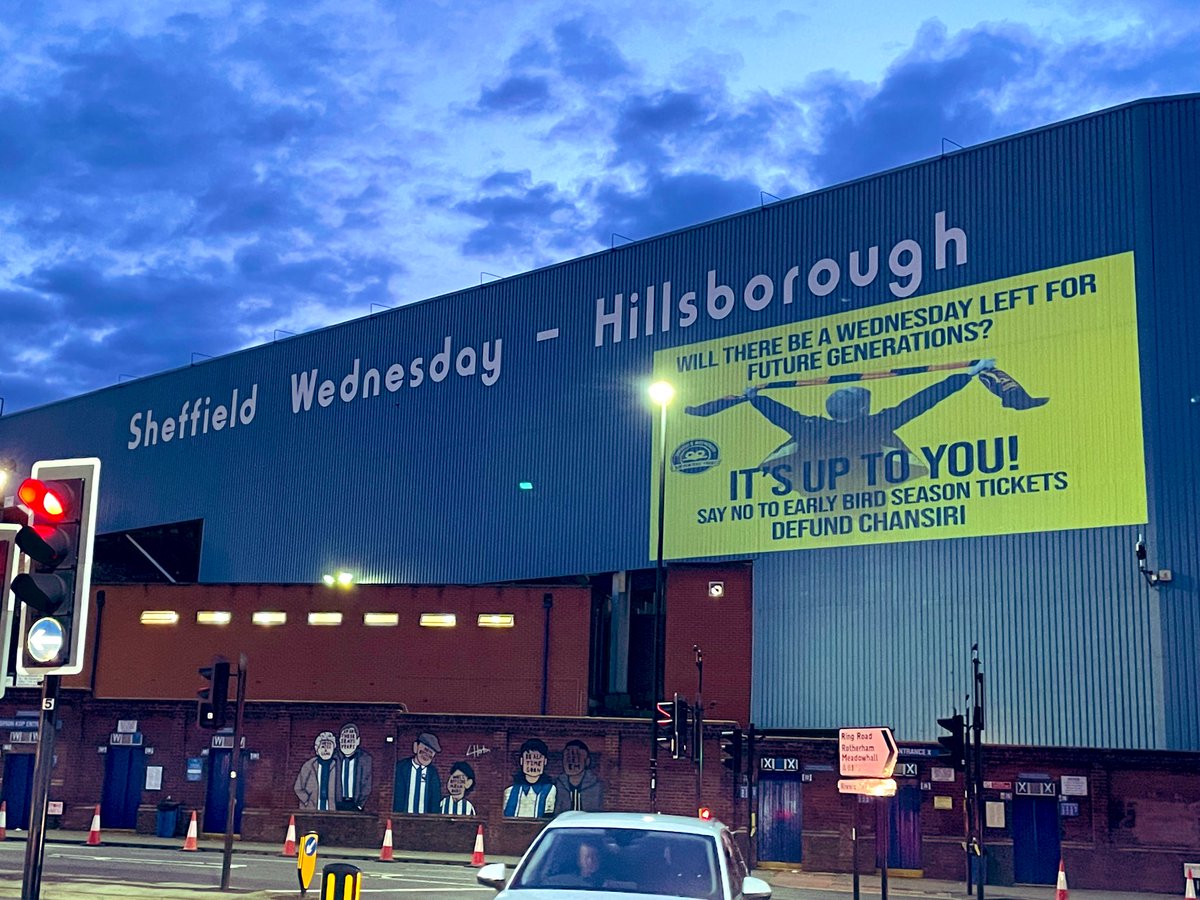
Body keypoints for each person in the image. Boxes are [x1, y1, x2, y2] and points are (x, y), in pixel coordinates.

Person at [744, 358, 998, 491]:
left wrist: (755, 398)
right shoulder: (875, 425)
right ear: (863, 409)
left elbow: (781, 414)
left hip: (821, 505)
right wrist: (967, 375)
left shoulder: (810, 427)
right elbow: (921, 401)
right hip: (869, 503)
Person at [503, 738, 556, 817]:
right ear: (522, 761)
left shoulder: (550, 789)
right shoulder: (509, 791)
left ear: (545, 761)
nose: (533, 765)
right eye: (529, 759)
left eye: (537, 761)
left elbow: (548, 815)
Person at [393, 732, 442, 814]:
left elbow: (435, 800)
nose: (427, 755)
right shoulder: (401, 768)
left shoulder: (433, 774)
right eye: (425, 750)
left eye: (431, 752)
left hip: (425, 821)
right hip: (401, 819)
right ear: (416, 747)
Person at [554, 739, 604, 812]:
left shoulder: (596, 786)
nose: (572, 761)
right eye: (568, 757)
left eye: (577, 757)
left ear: (587, 761)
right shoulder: (558, 785)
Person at [294, 731, 337, 811]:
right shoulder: (309, 765)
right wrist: (306, 800)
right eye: (323, 746)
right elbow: (298, 787)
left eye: (329, 747)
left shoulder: (337, 766)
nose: (326, 750)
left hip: (331, 806)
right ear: (317, 749)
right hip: (311, 807)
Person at [334, 722, 373, 811]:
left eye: (351, 739)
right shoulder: (334, 757)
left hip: (355, 804)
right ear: (339, 740)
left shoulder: (365, 759)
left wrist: (360, 805)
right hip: (337, 803)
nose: (347, 742)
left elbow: (366, 784)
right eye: (344, 738)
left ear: (357, 741)